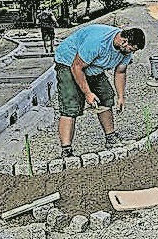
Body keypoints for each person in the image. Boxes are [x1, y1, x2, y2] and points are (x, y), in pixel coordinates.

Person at [54, 23, 146, 157]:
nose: (131, 52)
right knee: (71, 104)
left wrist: (121, 96)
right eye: (131, 49)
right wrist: (88, 93)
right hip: (69, 62)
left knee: (106, 96)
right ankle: (66, 150)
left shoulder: (125, 51)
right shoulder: (97, 42)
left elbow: (120, 72)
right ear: (124, 41)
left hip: (93, 66)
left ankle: (111, 139)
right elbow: (77, 67)